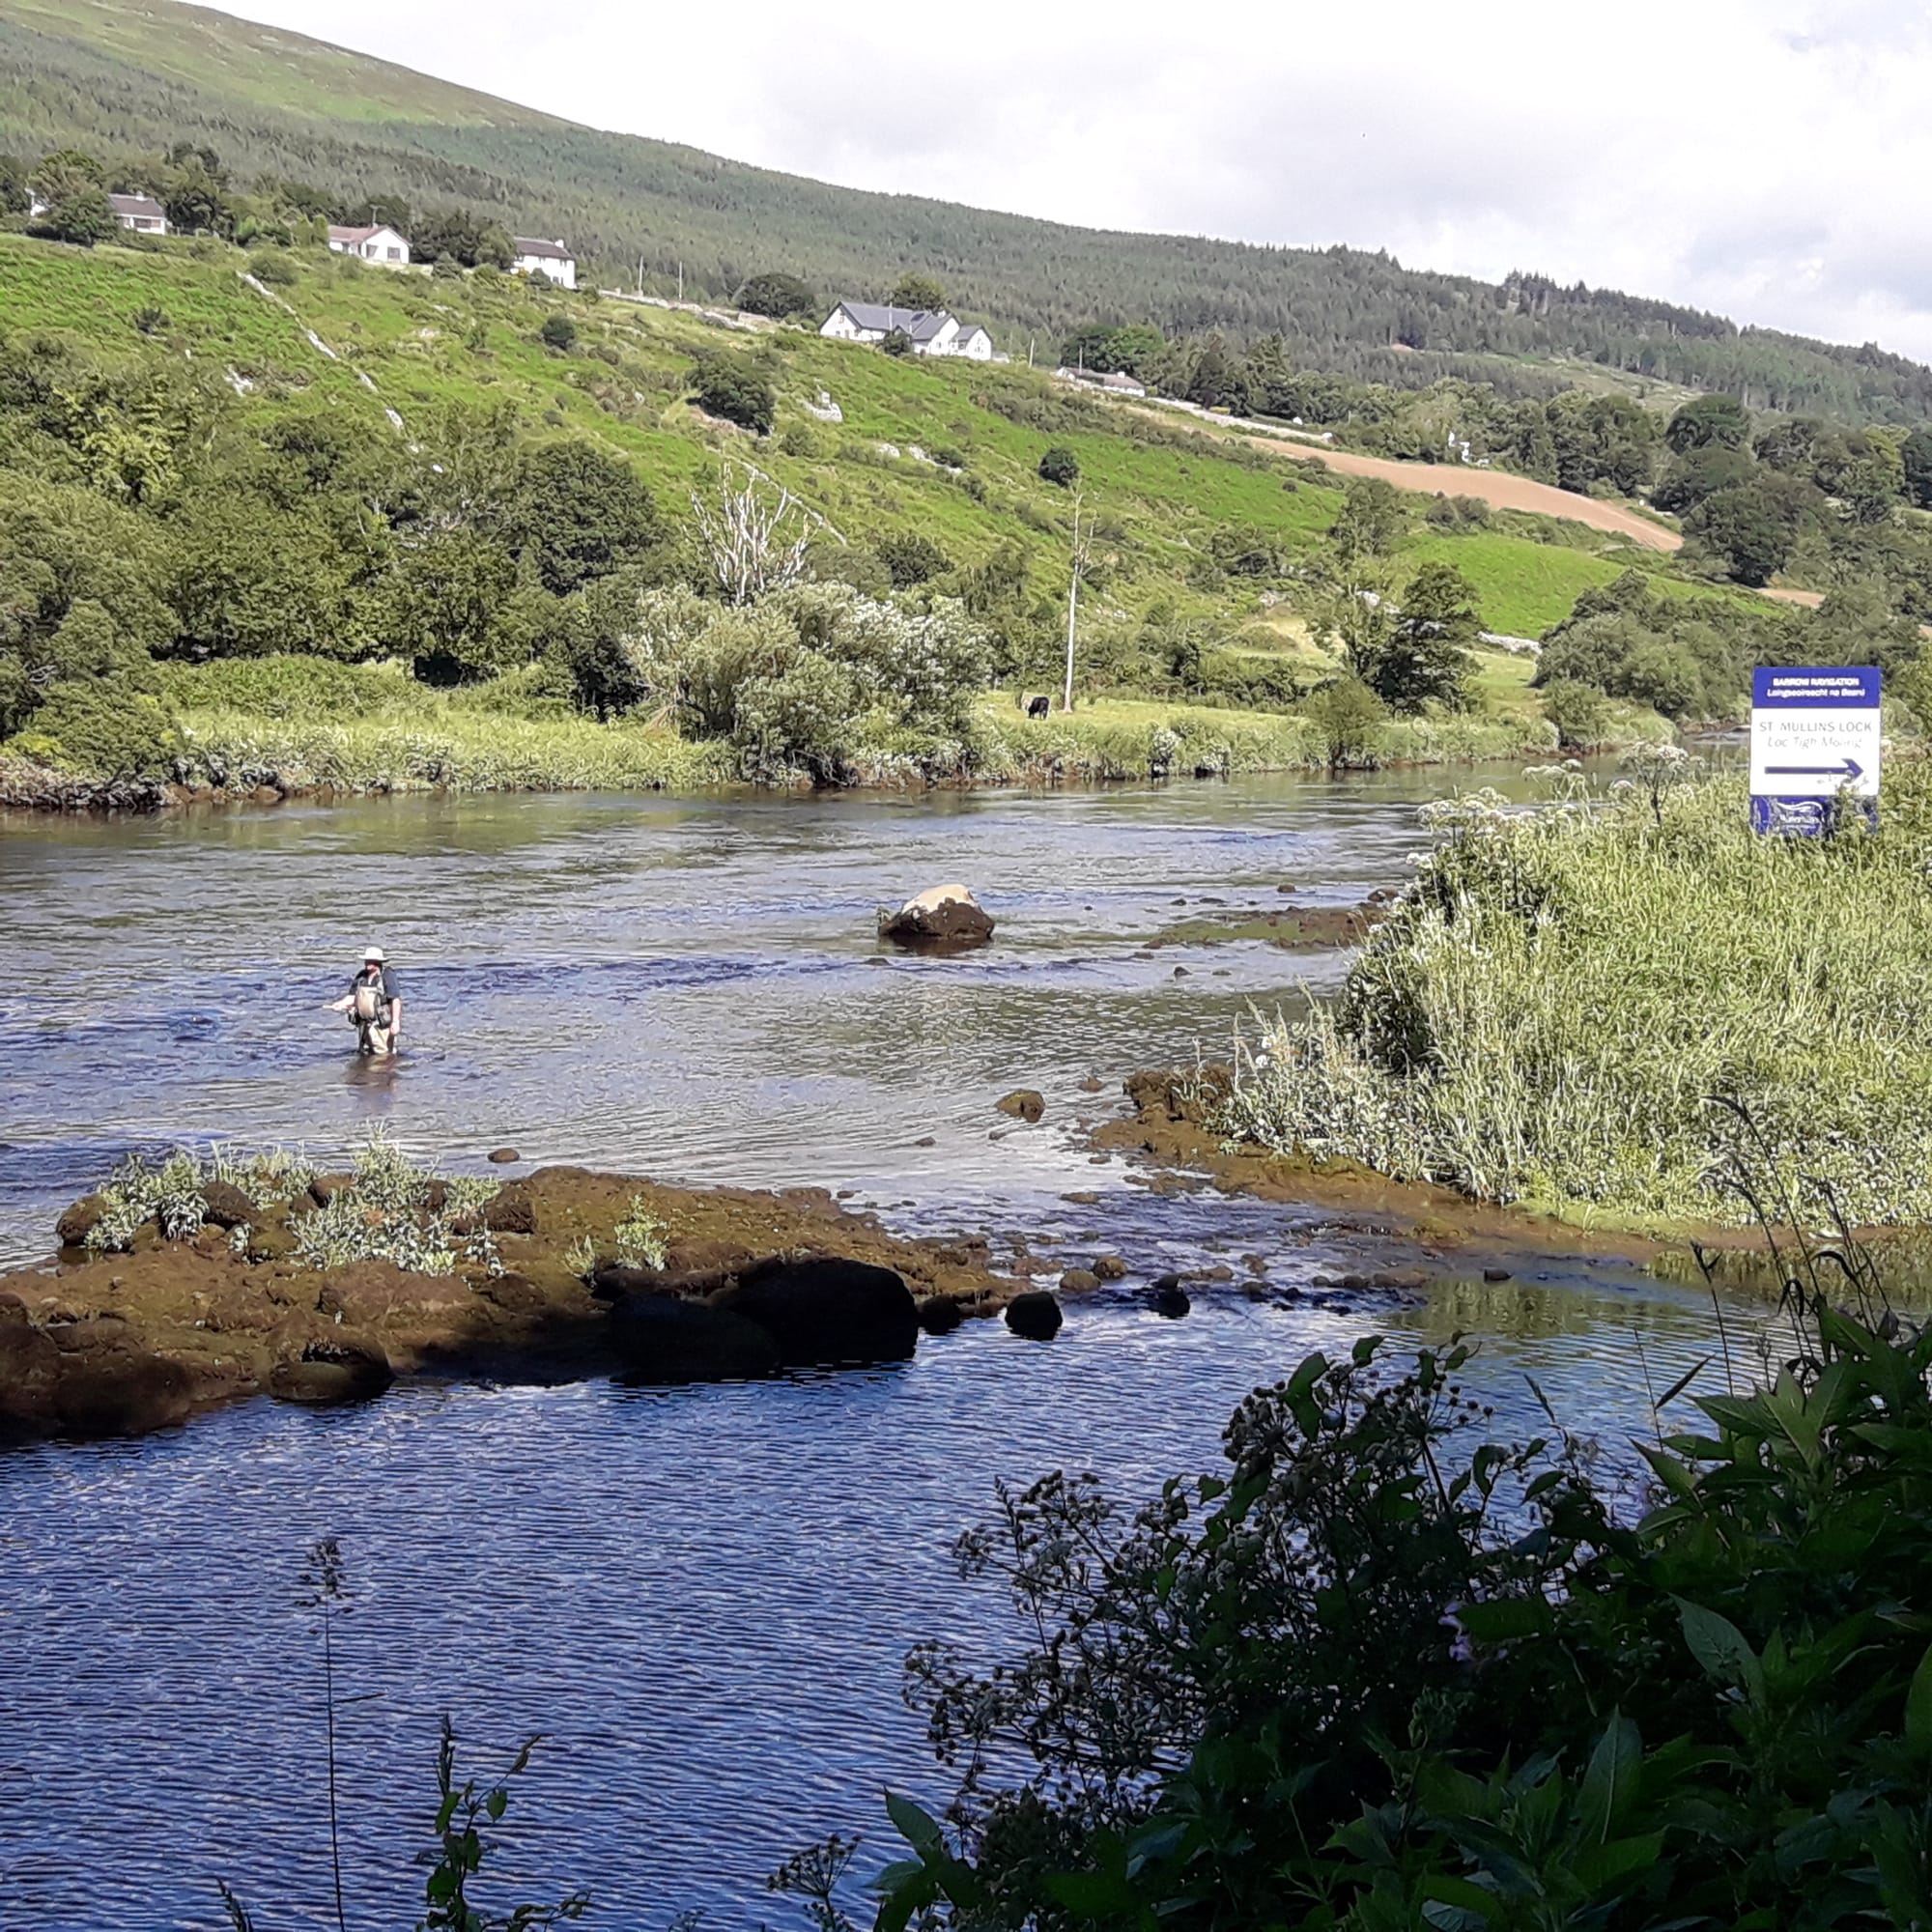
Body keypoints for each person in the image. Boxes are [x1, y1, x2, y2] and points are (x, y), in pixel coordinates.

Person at [327, 946, 403, 1057]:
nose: (367, 962)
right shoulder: (361, 977)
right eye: (367, 960)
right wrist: (340, 1004)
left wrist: (395, 1022)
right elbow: (352, 997)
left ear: (378, 962)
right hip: (364, 1026)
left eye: (370, 960)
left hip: (381, 1027)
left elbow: (395, 1000)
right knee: (366, 1056)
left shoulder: (387, 975)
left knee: (383, 1057)